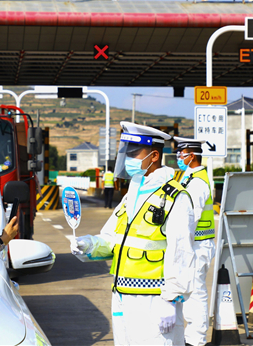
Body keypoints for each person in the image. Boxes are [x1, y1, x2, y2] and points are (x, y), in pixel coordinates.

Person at [69, 122, 198, 345]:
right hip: (121, 294)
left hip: (154, 299)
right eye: (126, 152)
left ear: (154, 155)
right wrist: (88, 245)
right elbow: (112, 238)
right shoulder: (132, 193)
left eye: (133, 152)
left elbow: (181, 252)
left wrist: (171, 299)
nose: (128, 158)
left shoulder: (175, 197)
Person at [173, 137, 216, 346]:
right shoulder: (187, 177)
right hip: (192, 244)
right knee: (186, 292)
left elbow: (192, 217)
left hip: (198, 245)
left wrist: (182, 245)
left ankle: (197, 340)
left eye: (181, 154)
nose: (178, 158)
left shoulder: (198, 182)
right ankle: (188, 337)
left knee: (196, 293)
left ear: (192, 155)